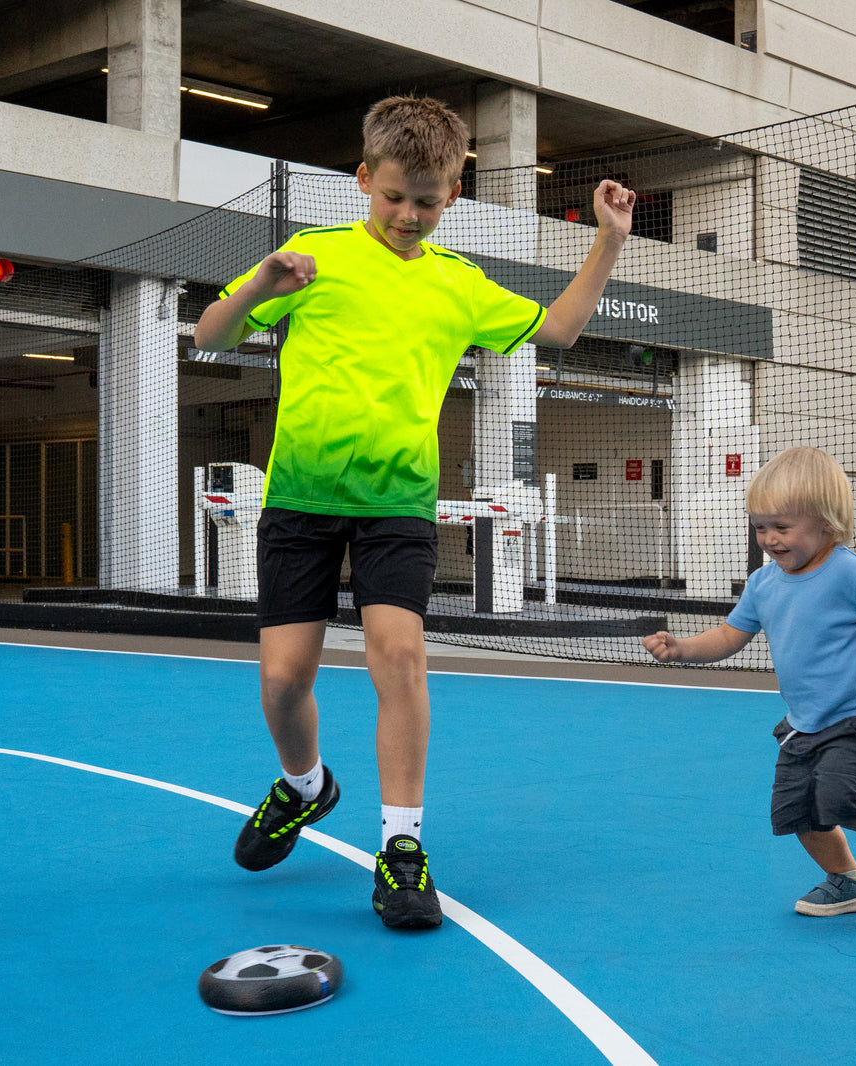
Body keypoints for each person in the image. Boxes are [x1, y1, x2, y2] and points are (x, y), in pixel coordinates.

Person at [194, 95, 636, 930]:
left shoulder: (457, 285)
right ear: (365, 180)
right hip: (299, 503)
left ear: (452, 198)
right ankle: (305, 787)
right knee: (284, 682)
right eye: (395, 195)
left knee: (399, 657)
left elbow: (562, 332)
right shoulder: (310, 260)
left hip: (398, 505)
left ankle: (401, 848)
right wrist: (262, 282)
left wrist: (608, 240)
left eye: (427, 200)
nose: (408, 214)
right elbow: (209, 337)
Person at [642, 446, 856, 917]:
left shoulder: (852, 573)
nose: (769, 538)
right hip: (803, 724)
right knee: (801, 813)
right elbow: (728, 635)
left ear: (826, 523)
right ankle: (848, 883)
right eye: (760, 526)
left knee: (841, 798)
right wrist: (682, 648)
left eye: (782, 528)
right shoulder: (763, 583)